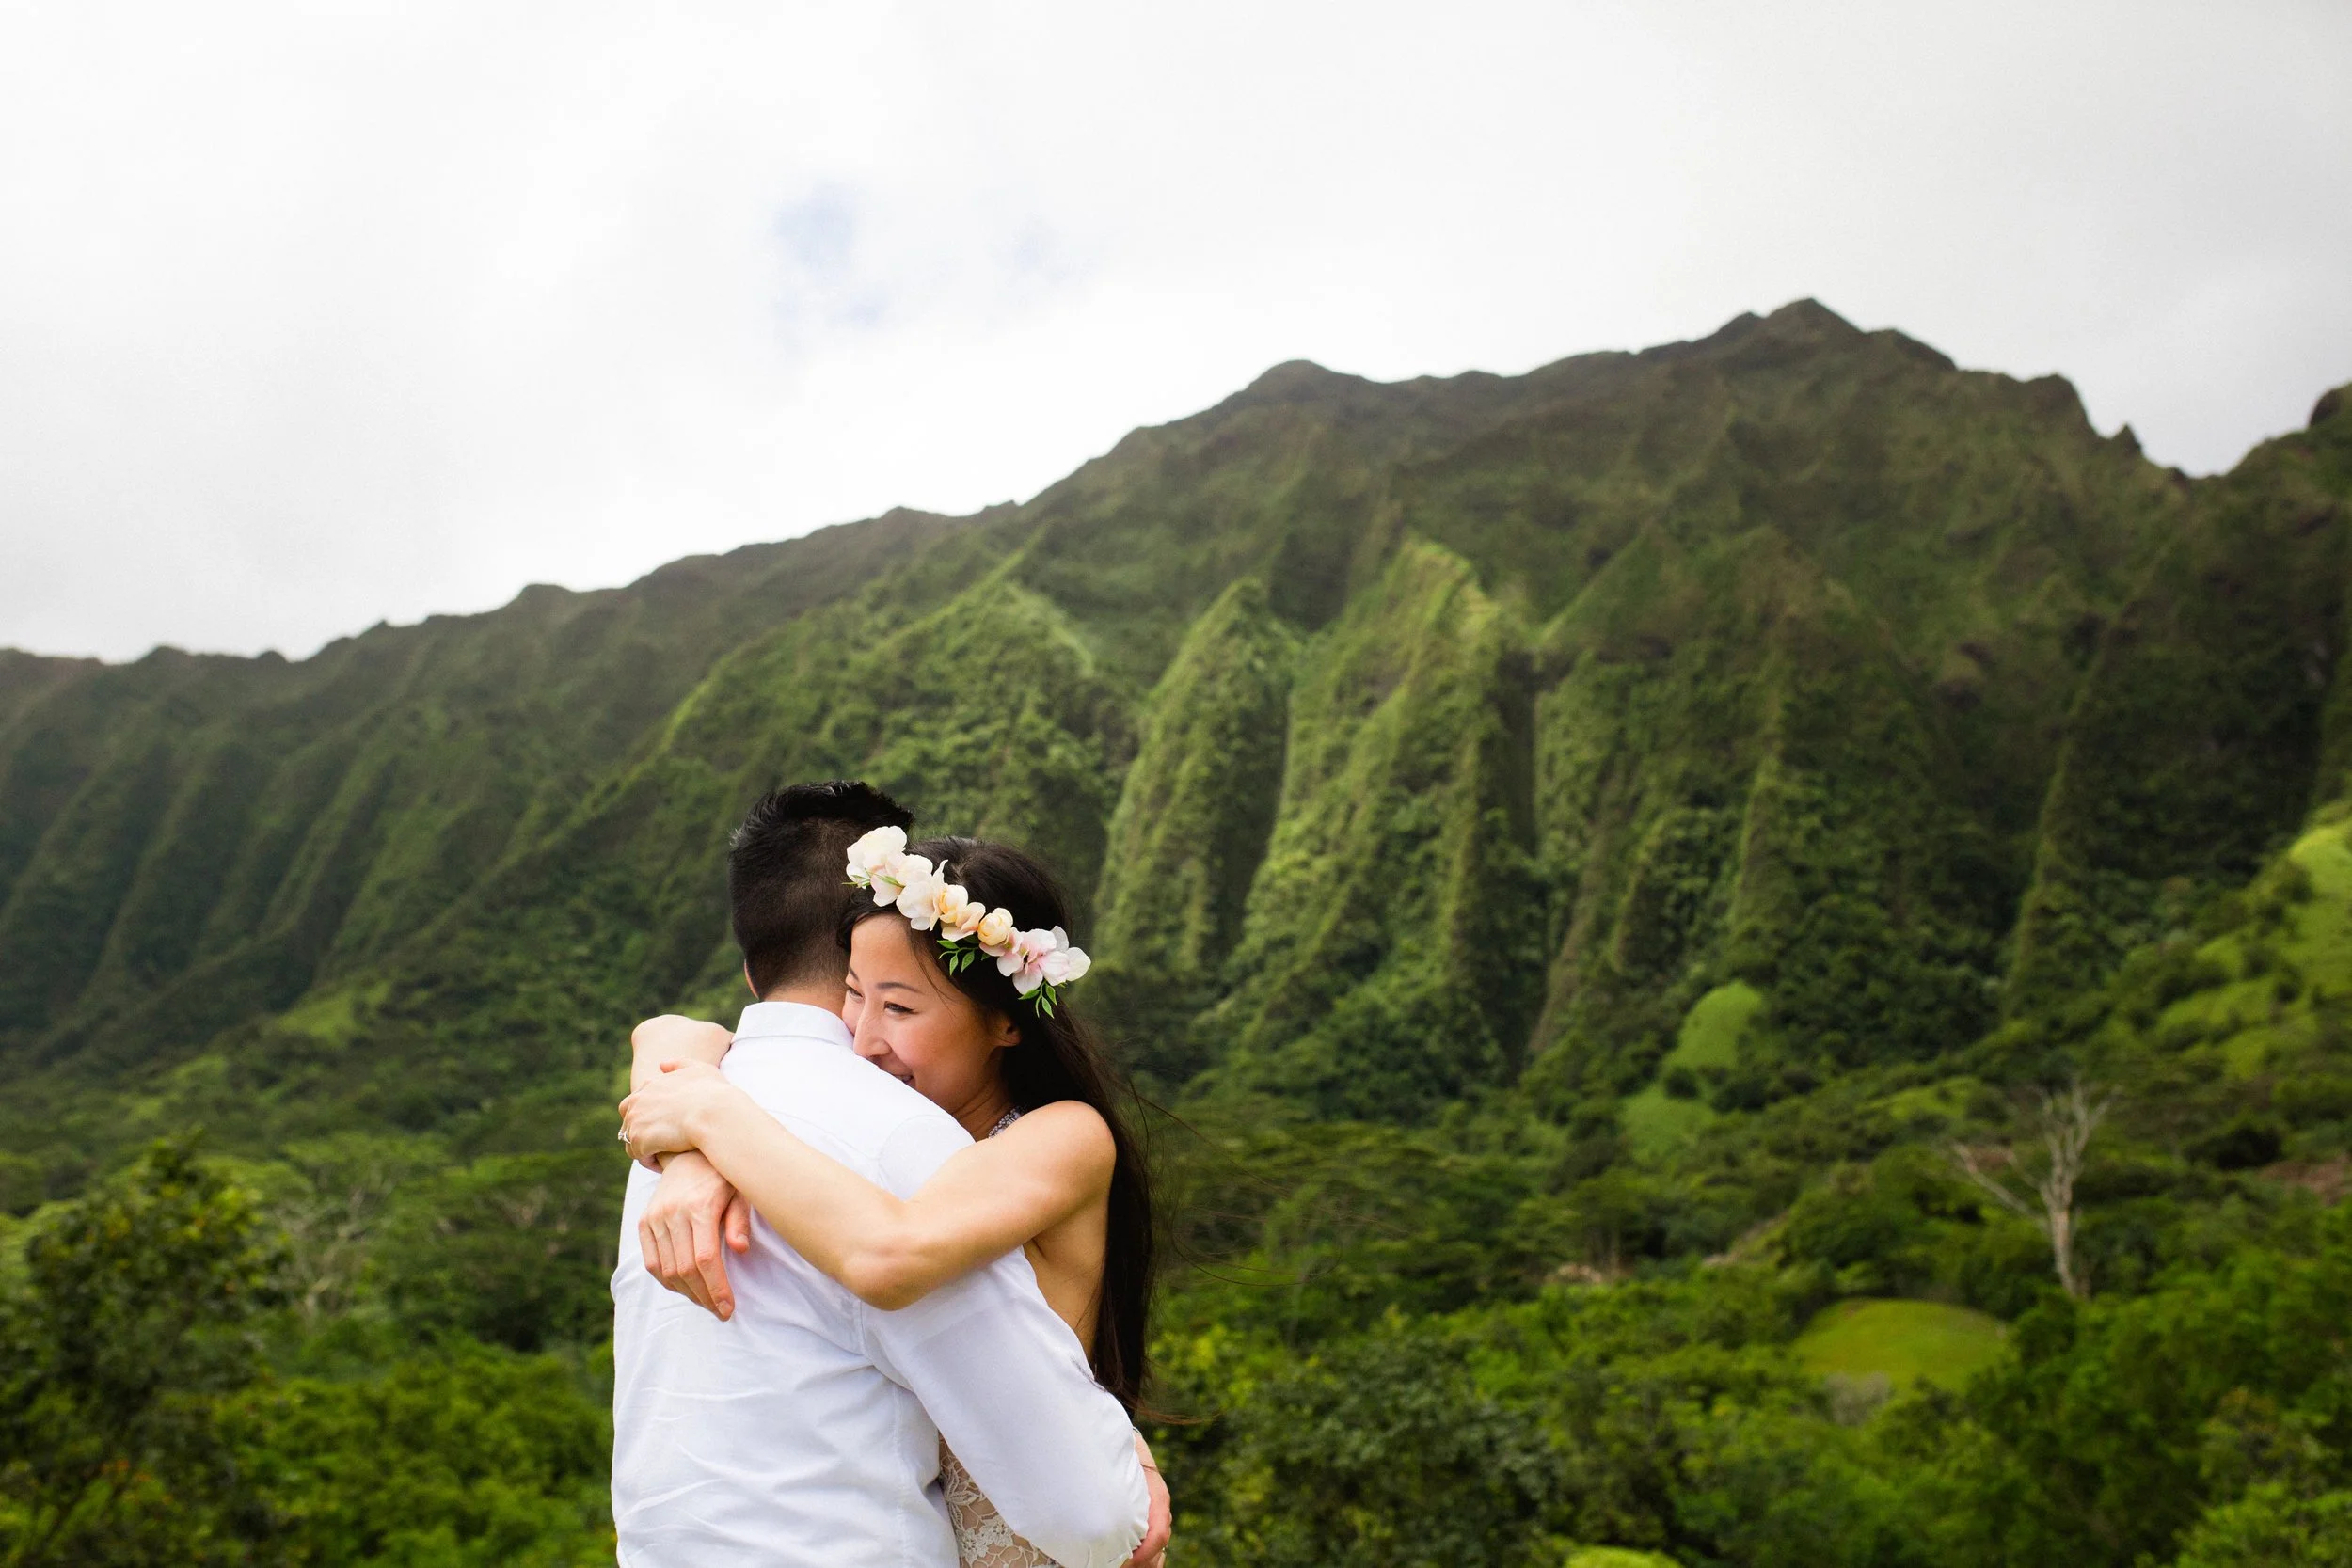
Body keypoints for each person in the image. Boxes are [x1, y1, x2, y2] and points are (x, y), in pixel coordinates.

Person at [610, 782, 1161, 1568]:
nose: (862, 1040)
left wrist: (711, 1120)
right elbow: (670, 1030)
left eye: (899, 1008)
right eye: (854, 997)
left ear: (1007, 1019)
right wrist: (696, 1152)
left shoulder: (1059, 1135)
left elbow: (889, 1252)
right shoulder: (880, 1124)